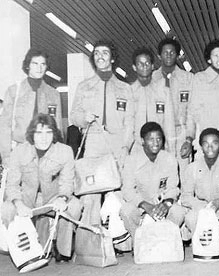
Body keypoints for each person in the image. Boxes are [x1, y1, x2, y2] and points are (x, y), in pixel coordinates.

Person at [1, 114, 82, 261]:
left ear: (54, 134)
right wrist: (18, 204)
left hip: (53, 198)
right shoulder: (19, 152)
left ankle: (62, 247)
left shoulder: (65, 151)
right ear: (32, 134)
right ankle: (18, 249)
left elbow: (67, 182)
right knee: (6, 208)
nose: (44, 138)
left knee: (75, 205)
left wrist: (62, 198)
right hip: (27, 199)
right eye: (39, 133)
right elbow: (12, 185)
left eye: (48, 132)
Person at [70, 40, 134, 224]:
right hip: (93, 142)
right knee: (92, 193)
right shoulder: (84, 86)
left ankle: (120, 241)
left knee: (118, 191)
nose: (100, 56)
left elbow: (130, 121)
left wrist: (125, 147)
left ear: (112, 58)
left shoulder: (125, 88)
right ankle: (92, 238)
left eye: (105, 52)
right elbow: (73, 115)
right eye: (96, 53)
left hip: (117, 143)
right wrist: (84, 117)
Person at [170, 128, 219, 253]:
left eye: (214, 143)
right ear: (201, 146)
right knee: (190, 217)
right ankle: (204, 248)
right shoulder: (192, 168)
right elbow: (186, 196)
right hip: (202, 213)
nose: (210, 147)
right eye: (206, 143)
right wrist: (203, 207)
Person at [0, 49, 63, 164]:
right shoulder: (14, 91)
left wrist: (59, 153)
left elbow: (57, 126)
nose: (39, 68)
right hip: (20, 149)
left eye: (43, 64)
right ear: (28, 65)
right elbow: (4, 126)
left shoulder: (53, 94)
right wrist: (6, 155)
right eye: (35, 64)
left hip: (46, 152)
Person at [120, 122, 181, 239]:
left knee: (178, 212)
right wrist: (145, 205)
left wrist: (166, 204)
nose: (156, 143)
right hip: (141, 206)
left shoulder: (170, 159)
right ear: (142, 141)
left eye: (159, 139)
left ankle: (165, 240)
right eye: (151, 139)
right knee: (126, 211)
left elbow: (173, 188)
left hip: (161, 205)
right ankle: (139, 241)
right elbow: (127, 190)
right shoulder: (131, 160)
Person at [186, 40, 219, 160]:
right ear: (209, 59)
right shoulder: (199, 79)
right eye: (215, 55)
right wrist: (189, 138)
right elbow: (192, 111)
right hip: (207, 135)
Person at [152, 38, 194, 177]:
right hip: (161, 134)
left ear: (177, 55)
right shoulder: (152, 79)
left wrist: (189, 138)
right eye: (165, 52)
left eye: (172, 52)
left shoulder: (188, 78)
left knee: (184, 173)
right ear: (159, 56)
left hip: (182, 132)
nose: (169, 55)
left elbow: (192, 111)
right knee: (163, 174)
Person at [129, 47, 176, 153]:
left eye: (147, 63)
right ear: (134, 67)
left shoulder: (163, 90)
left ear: (153, 66)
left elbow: (169, 122)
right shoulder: (129, 92)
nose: (144, 67)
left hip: (158, 148)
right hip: (137, 149)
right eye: (140, 64)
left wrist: (172, 151)